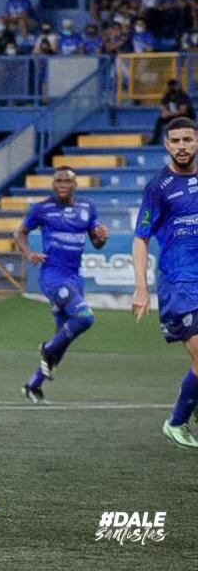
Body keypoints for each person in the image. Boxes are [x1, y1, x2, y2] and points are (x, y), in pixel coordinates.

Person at [13, 167, 108, 404]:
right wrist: (29, 253)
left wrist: (102, 238)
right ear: (53, 184)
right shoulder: (42, 208)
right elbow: (19, 233)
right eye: (58, 181)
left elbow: (96, 242)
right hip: (53, 276)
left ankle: (33, 385)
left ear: (75, 184)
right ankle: (46, 349)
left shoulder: (87, 207)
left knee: (62, 340)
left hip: (75, 278)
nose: (63, 184)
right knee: (85, 317)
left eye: (67, 181)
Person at [132, 117, 198, 448]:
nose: (182, 146)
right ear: (166, 145)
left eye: (188, 139)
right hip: (179, 283)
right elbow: (140, 238)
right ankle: (176, 423)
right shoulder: (158, 188)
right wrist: (141, 287)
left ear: (197, 141)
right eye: (176, 141)